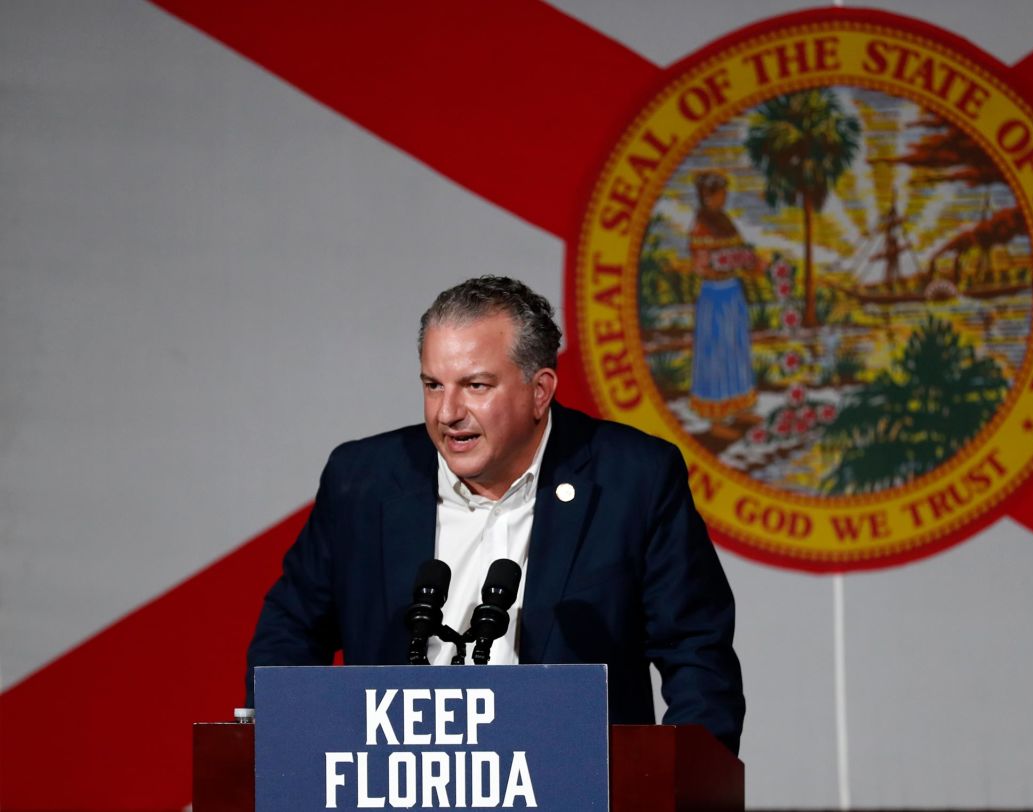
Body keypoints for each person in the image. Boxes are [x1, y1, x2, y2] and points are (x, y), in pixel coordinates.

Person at [245, 275, 746, 754]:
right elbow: (289, 633)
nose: (447, 412)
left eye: (476, 386)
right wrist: (283, 754)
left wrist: (681, 784)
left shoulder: (632, 479)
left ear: (540, 391)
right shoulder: (363, 480)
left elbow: (695, 651)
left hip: (572, 786)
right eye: (433, 385)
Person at [688, 171, 758, 436]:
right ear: (708, 196)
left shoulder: (725, 221)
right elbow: (701, 265)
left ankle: (739, 408)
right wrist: (724, 264)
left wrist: (748, 262)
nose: (723, 198)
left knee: (736, 349)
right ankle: (716, 421)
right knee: (716, 354)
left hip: (732, 293)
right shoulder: (701, 226)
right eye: (720, 194)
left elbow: (739, 252)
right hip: (715, 296)